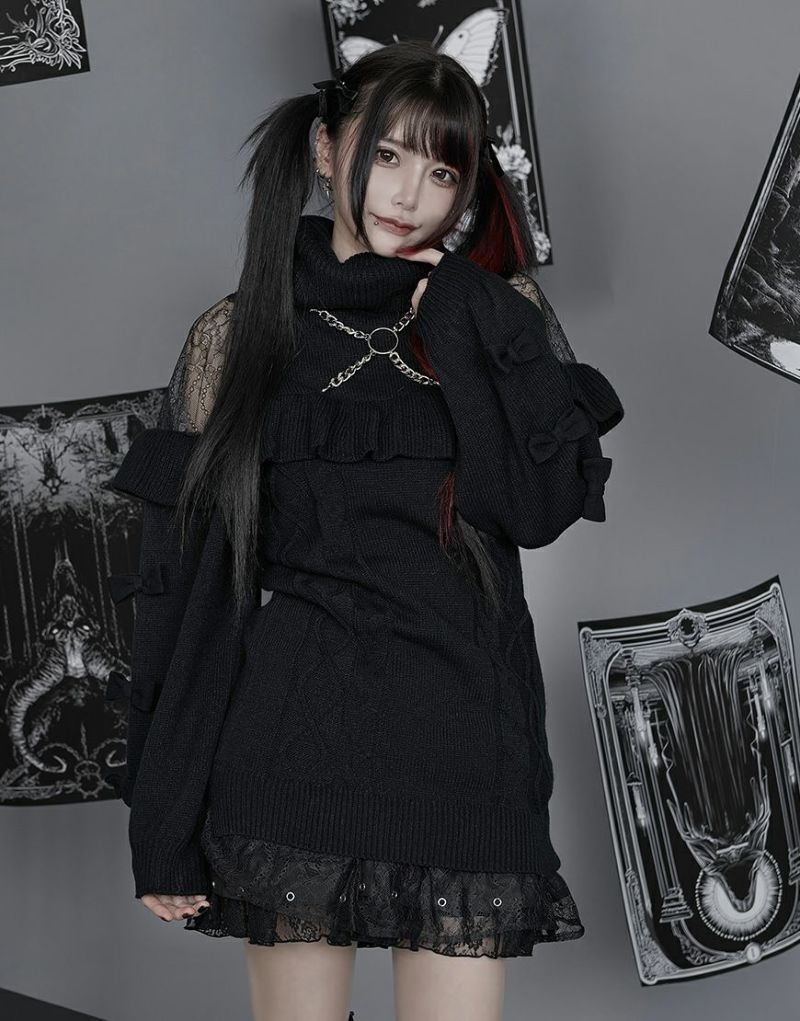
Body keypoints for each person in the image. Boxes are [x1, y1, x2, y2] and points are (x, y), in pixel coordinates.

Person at [105, 38, 624, 1021]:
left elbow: (538, 505)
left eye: (442, 171)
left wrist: (463, 315)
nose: (410, 194)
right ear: (325, 147)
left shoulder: (496, 311)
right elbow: (190, 589)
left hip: (465, 744)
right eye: (386, 155)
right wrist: (162, 815)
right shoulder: (238, 332)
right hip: (291, 753)